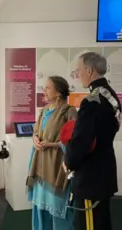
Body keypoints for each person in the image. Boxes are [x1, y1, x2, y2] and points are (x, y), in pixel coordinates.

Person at [64, 52, 121, 230]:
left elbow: (81, 141)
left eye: (78, 70)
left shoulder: (92, 101)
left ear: (89, 70)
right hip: (104, 168)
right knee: (100, 222)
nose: (77, 74)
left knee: (89, 225)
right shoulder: (109, 94)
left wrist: (68, 161)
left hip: (91, 176)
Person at [27, 76, 77, 230]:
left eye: (48, 88)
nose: (44, 91)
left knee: (56, 206)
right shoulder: (44, 110)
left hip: (56, 167)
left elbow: (74, 139)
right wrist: (35, 138)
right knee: (40, 205)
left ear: (58, 92)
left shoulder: (69, 112)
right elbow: (36, 130)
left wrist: (53, 144)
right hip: (39, 163)